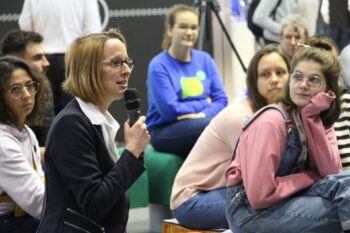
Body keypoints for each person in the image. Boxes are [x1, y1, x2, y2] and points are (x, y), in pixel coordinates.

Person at [225, 45, 349, 233]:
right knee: (340, 210)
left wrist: (311, 118)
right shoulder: (271, 121)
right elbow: (259, 196)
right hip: (248, 211)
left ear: (328, 89)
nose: (303, 84)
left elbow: (331, 172)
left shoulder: (314, 117)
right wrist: (311, 176)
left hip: (284, 198)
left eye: (314, 80)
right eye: (297, 76)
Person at [36, 28, 149, 233]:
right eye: (116, 63)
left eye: (127, 62)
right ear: (88, 70)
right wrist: (131, 151)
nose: (127, 70)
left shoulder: (96, 120)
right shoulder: (70, 125)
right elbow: (94, 204)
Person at [171, 44, 290, 230]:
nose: (274, 79)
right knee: (275, 207)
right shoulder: (242, 118)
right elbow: (260, 180)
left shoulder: (277, 113)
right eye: (265, 74)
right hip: (192, 200)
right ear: (254, 81)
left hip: (224, 191)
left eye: (281, 72)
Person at [146, 4, 228, 157]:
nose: (189, 32)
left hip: (202, 121)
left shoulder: (205, 59)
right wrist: (205, 103)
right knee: (216, 125)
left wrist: (202, 115)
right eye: (183, 27)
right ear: (170, 30)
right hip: (165, 130)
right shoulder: (158, 65)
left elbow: (222, 100)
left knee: (227, 123)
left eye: (194, 27)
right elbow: (170, 111)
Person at [18, 0, 102, 115]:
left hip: (41, 60)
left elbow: (25, 25)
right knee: (74, 114)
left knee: (42, 114)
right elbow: (93, 31)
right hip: (73, 60)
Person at [0, 56, 45, 232]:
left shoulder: (26, 132)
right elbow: (38, 202)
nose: (26, 95)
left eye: (29, 85)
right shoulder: (3, 143)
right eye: (15, 89)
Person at [1, 29, 54, 150]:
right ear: (14, 62)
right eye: (37, 57)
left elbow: (49, 142)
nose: (46, 63)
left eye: (30, 86)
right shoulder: (4, 142)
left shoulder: (41, 86)